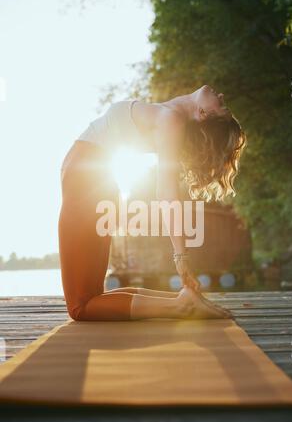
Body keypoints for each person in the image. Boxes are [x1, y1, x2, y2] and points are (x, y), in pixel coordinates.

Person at [58, 85, 246, 321]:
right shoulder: (168, 114)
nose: (221, 96)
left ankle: (181, 307)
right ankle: (183, 301)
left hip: (85, 184)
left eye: (222, 107)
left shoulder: (171, 120)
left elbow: (167, 193)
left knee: (80, 307)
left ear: (203, 115)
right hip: (95, 185)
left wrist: (181, 256)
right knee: (93, 296)